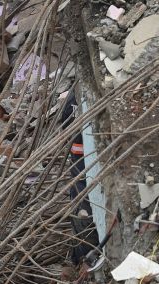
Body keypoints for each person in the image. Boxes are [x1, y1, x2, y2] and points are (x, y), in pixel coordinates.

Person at [61, 92, 101, 266]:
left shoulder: (75, 97)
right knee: (82, 211)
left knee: (81, 209)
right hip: (82, 162)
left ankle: (82, 259)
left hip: (82, 162)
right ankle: (83, 260)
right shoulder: (76, 99)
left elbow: (66, 126)